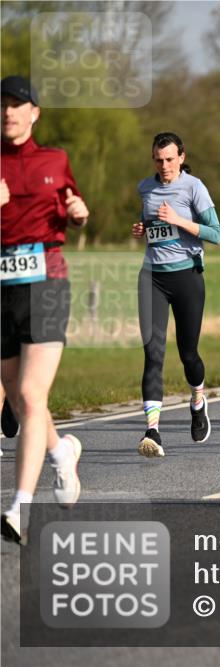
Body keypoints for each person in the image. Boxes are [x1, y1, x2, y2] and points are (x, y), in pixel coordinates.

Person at [0, 75, 87, 543]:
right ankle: (61, 453)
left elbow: (72, 203)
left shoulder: (55, 160)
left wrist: (79, 211)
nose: (9, 113)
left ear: (34, 113)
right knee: (17, 398)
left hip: (47, 281)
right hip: (2, 289)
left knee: (32, 395)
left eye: (18, 105)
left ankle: (20, 508)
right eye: (3, 106)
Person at [131, 133, 220, 457]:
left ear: (181, 157)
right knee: (153, 353)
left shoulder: (194, 187)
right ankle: (152, 430)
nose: (164, 165)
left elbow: (216, 233)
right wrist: (143, 228)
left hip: (187, 277)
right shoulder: (145, 187)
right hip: (152, 276)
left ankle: (198, 399)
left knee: (188, 354)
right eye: (158, 159)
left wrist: (179, 220)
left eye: (169, 159)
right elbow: (151, 223)